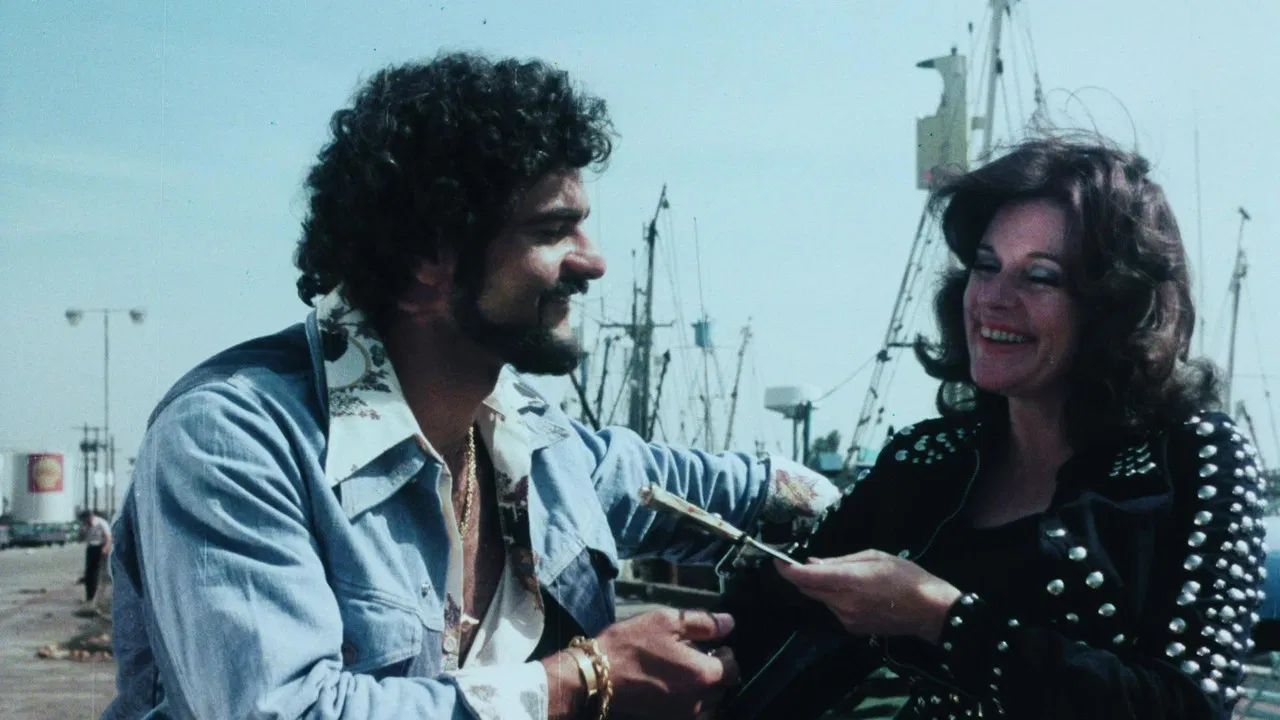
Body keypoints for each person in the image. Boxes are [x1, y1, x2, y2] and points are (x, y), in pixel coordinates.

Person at [102, 52, 839, 720]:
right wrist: (582, 680)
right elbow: (281, 711)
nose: (593, 261)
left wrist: (887, 529)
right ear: (428, 255)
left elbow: (731, 490)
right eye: (552, 230)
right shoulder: (233, 439)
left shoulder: (539, 445)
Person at [721, 137, 1268, 720]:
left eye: (1040, 276)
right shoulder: (927, 459)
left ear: (1111, 305)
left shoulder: (1193, 458)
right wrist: (677, 651)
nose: (993, 299)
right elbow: (777, 603)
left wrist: (942, 618)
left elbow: (1190, 707)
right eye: (986, 266)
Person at [79, 509, 112, 603]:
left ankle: (98, 597)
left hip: (101, 547)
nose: (86, 521)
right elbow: (80, 538)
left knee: (97, 572)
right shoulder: (84, 525)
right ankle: (89, 596)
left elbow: (109, 537)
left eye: (87, 519)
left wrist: (106, 548)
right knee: (88, 573)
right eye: (84, 520)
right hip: (90, 548)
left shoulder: (101, 523)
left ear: (91, 517)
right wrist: (83, 531)